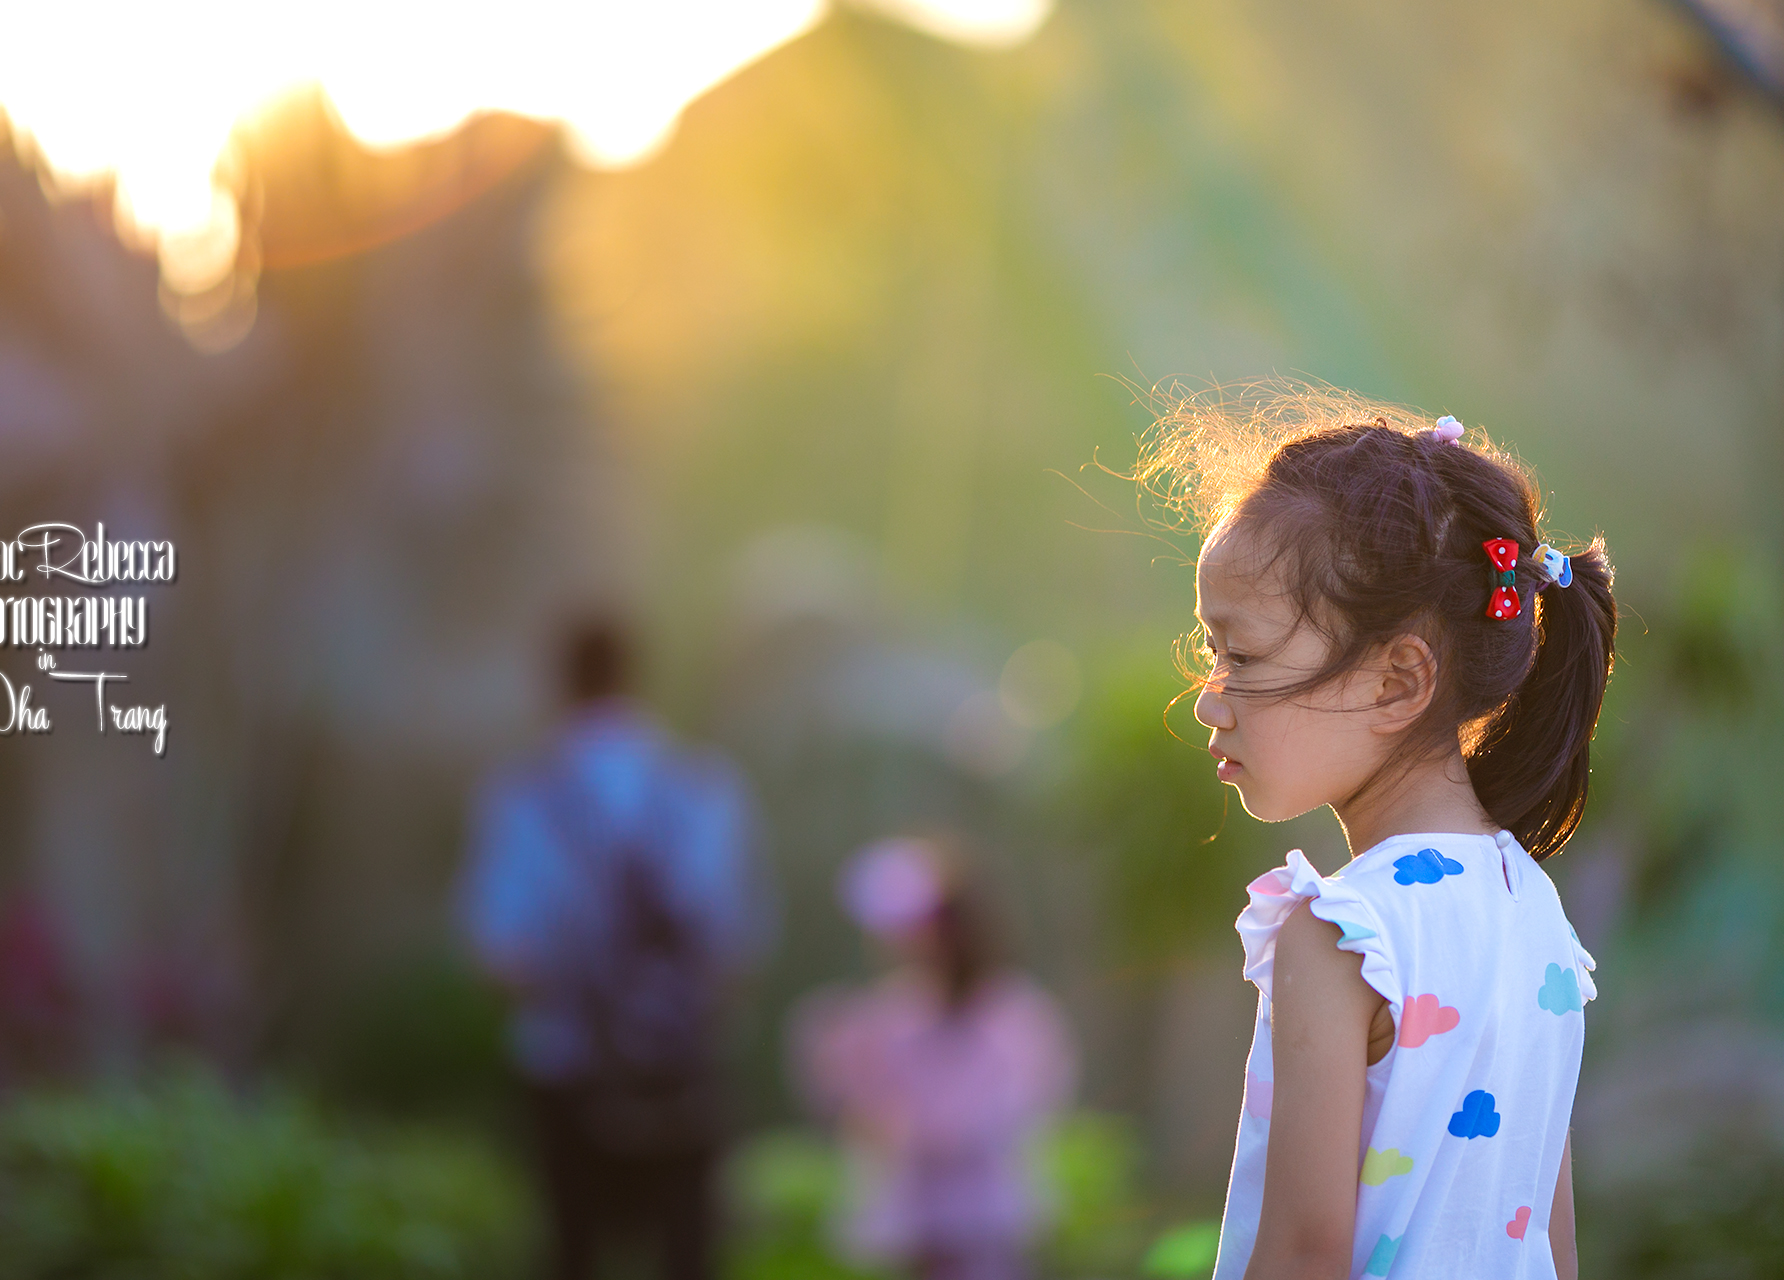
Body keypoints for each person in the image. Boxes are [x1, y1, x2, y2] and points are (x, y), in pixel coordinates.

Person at [1135, 389, 1616, 1279]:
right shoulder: (1537, 916)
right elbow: (1551, 1247)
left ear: (1398, 682)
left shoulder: (1343, 933)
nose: (1210, 697)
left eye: (1239, 655)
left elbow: (1305, 1252)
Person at [459, 616, 772, 1280]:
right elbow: (735, 952)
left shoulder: (524, 797)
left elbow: (501, 958)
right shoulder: (702, 786)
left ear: (558, 685)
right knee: (686, 1256)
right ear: (637, 679)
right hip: (684, 1072)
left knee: (574, 1252)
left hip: (567, 1068)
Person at [793, 837, 1076, 1280]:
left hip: (986, 1231)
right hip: (912, 1234)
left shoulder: (1013, 1014)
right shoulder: (889, 1013)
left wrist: (915, 1126)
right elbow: (856, 1111)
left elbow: (1007, 1111)